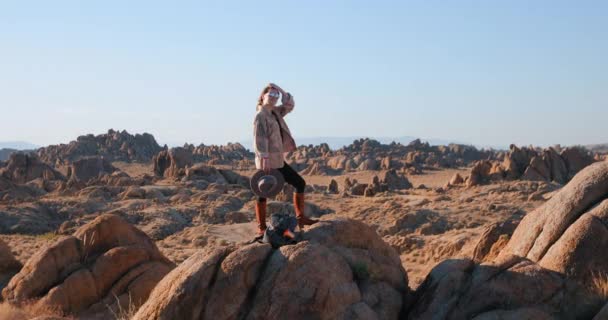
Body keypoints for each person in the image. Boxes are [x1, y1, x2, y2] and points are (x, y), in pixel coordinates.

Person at [252, 83, 318, 236]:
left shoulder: (275, 112)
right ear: (263, 96)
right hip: (267, 160)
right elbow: (259, 138)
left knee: (299, 183)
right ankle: (261, 227)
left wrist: (279, 89)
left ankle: (300, 218)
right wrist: (264, 157)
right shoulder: (260, 115)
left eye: (276, 96)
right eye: (271, 95)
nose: (274, 98)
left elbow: (289, 104)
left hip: (277, 159)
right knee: (262, 191)